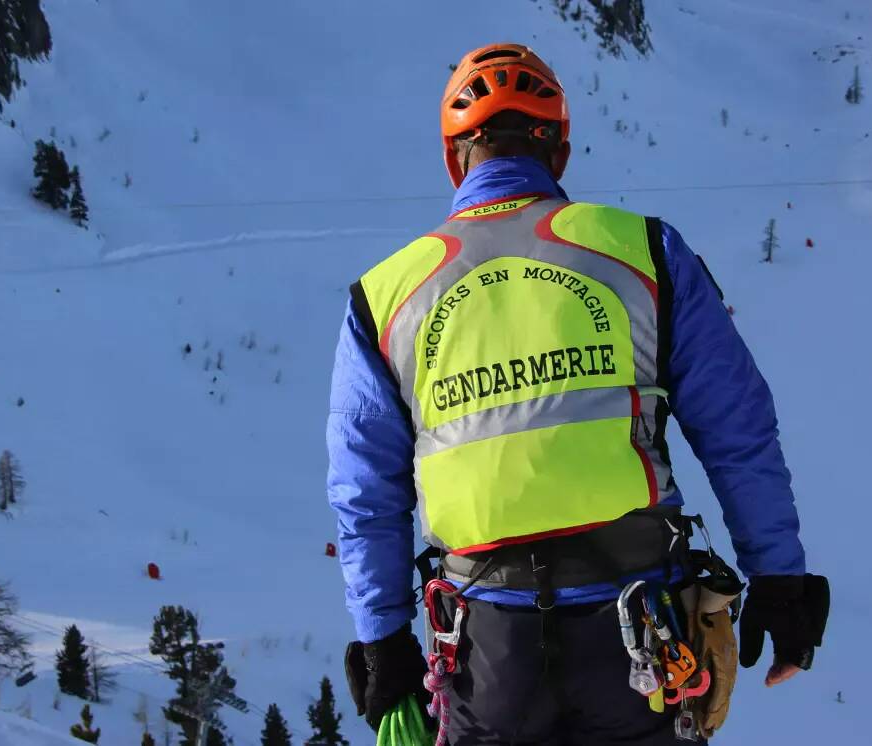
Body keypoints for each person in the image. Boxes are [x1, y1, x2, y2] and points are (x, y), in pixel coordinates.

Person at [327, 43, 828, 744]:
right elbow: (736, 428)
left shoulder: (385, 299)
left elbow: (365, 493)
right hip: (642, 640)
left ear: (454, 158)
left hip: (484, 647)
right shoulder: (644, 252)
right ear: (557, 151)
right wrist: (778, 575)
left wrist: (385, 642)